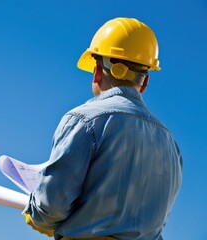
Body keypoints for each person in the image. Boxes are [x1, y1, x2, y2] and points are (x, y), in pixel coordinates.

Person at [22, 17, 183, 240]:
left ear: (97, 71)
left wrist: (37, 214)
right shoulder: (170, 144)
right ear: (144, 82)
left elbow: (52, 206)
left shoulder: (83, 120)